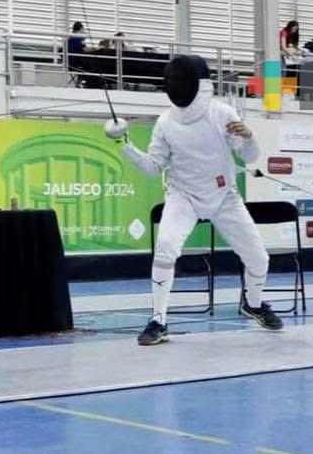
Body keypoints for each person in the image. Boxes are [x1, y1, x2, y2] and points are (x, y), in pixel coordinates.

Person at [103, 54, 283, 346]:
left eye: (181, 79)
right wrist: (124, 144)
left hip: (224, 196)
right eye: (172, 79)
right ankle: (158, 320)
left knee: (259, 258)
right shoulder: (165, 122)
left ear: (200, 83)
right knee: (165, 249)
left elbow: (250, 157)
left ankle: (253, 304)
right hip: (183, 195)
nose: (176, 84)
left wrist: (250, 137)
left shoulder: (222, 113)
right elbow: (153, 168)